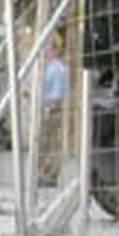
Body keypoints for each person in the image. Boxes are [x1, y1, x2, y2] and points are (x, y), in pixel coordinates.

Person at [40, 38, 68, 187]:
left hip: (52, 109)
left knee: (51, 142)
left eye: (49, 49)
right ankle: (45, 171)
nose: (46, 52)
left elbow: (57, 94)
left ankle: (50, 174)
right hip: (46, 107)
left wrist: (47, 104)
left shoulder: (57, 68)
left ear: (56, 51)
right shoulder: (47, 67)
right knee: (45, 142)